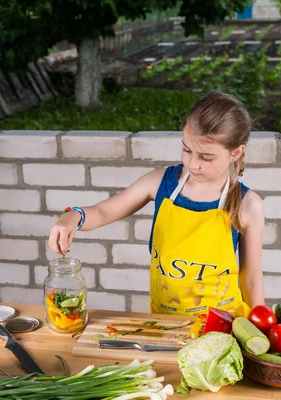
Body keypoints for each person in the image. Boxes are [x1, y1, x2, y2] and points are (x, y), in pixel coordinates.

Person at [48, 91, 265, 318]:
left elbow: (251, 279)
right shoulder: (160, 183)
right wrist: (73, 216)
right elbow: (103, 212)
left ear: (235, 152)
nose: (193, 163)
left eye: (206, 157)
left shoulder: (248, 206)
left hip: (222, 328)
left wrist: (259, 331)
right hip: (165, 323)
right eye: (187, 150)